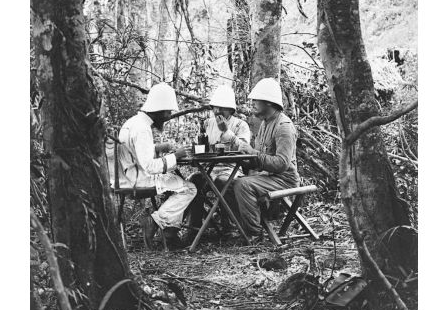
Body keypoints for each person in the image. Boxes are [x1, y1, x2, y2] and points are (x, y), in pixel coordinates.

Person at [116, 82, 197, 249]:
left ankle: (170, 233)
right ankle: (155, 222)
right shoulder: (143, 128)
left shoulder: (133, 122)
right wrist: (176, 155)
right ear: (158, 110)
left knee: (178, 184)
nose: (168, 116)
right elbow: (150, 166)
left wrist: (160, 148)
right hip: (139, 179)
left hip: (126, 177)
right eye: (167, 112)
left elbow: (136, 152)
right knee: (189, 188)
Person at [233, 78, 300, 238]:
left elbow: (281, 164)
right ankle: (236, 229)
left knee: (242, 185)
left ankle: (255, 234)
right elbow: (259, 159)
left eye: (256, 100)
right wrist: (245, 156)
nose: (253, 103)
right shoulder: (264, 123)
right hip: (266, 176)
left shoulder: (283, 127)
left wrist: (253, 154)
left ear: (269, 102)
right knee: (228, 183)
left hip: (284, 179)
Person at [186, 85, 251, 240]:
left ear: (230, 109)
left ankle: (230, 227)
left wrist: (226, 131)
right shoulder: (208, 123)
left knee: (223, 182)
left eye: (222, 108)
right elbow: (201, 146)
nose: (217, 112)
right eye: (215, 108)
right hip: (209, 169)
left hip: (231, 168)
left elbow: (244, 149)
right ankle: (194, 229)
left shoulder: (240, 125)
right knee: (194, 181)